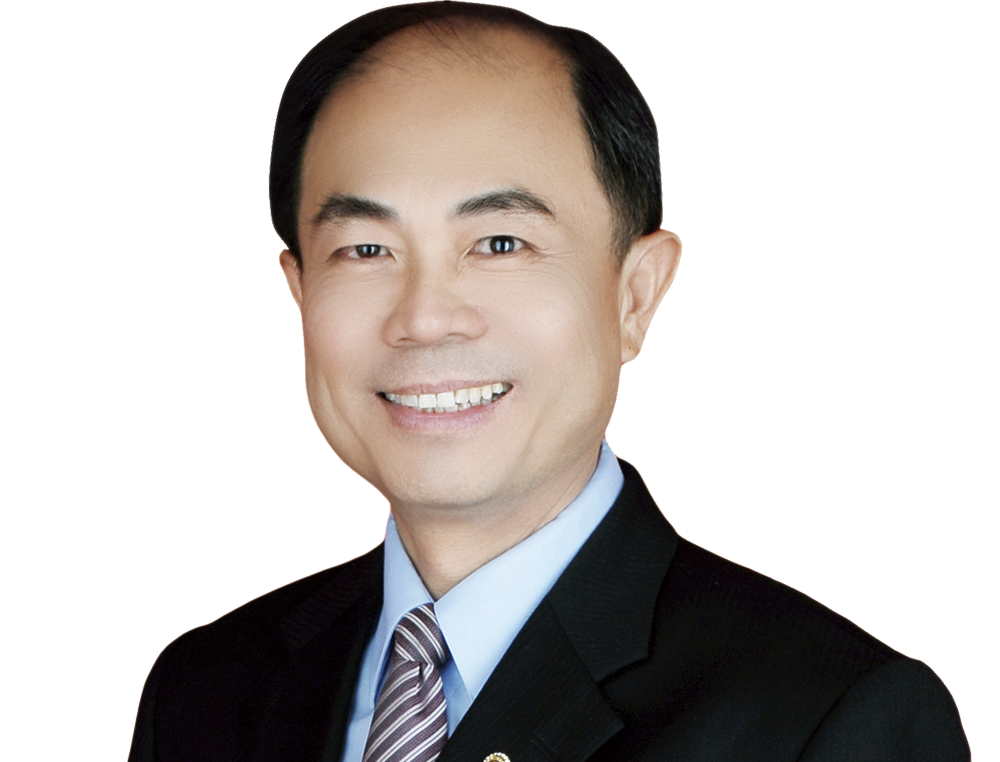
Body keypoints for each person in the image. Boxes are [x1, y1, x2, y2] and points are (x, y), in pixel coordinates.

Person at [128, 3, 970, 761]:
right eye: (365, 249)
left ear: (635, 296)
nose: (425, 317)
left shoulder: (830, 718)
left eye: (500, 243)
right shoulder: (204, 691)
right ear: (299, 292)